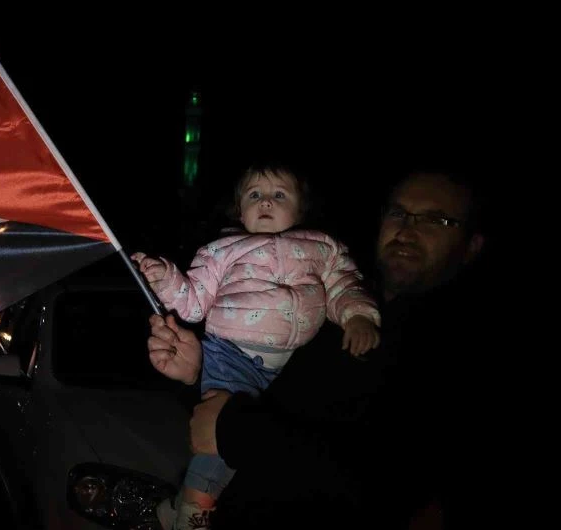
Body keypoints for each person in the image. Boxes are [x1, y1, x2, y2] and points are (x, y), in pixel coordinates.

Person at [147, 170, 491, 528]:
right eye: (398, 212)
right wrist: (197, 373)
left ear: (472, 245)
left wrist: (234, 429)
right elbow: (249, 397)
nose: (407, 229)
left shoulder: (455, 349)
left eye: (436, 219)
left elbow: (392, 488)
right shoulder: (326, 296)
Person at [132, 163, 381, 529]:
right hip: (229, 353)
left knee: (241, 439)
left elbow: (345, 283)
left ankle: (176, 506)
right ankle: (193, 513)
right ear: (239, 211)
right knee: (220, 436)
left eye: (279, 195)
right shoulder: (221, 250)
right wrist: (166, 279)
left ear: (301, 209)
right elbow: (193, 302)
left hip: (284, 365)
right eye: (254, 195)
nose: (265, 202)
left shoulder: (323, 247)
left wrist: (358, 316)